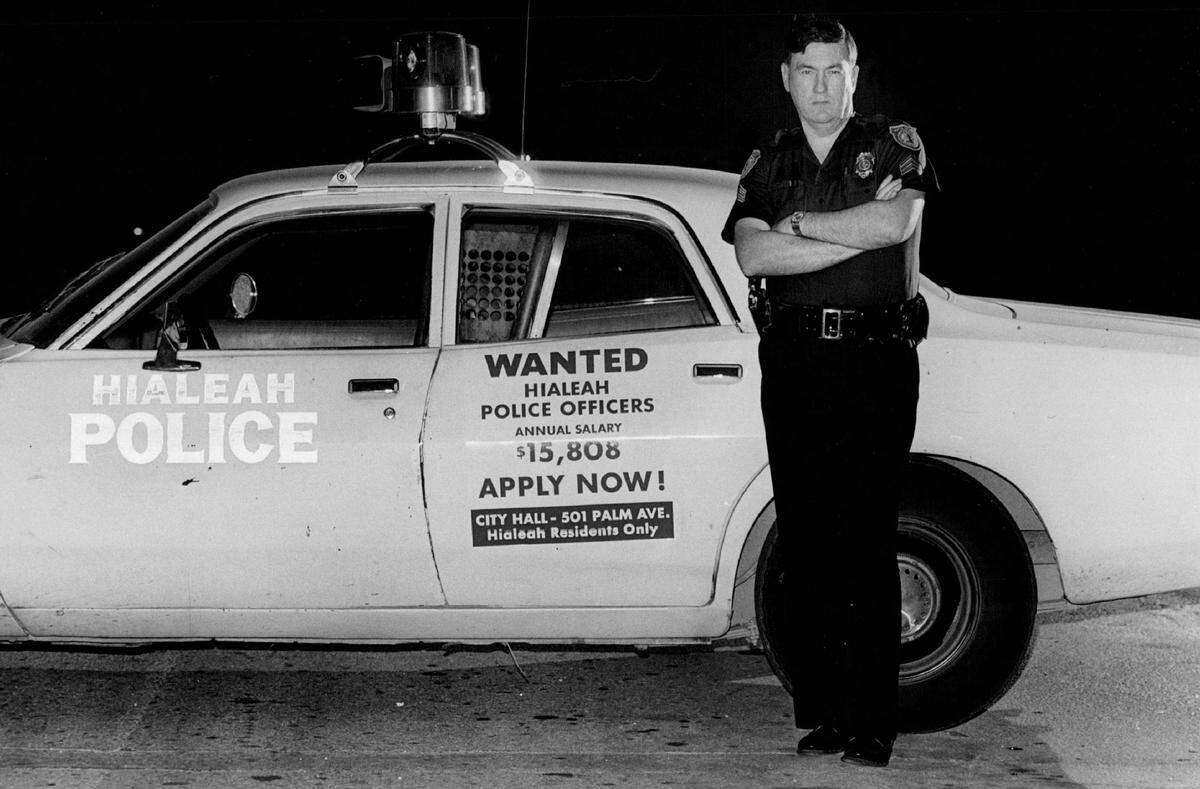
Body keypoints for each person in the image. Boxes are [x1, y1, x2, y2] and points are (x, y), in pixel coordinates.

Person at [722, 14, 938, 768]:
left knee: (866, 537)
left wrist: (802, 225)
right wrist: (851, 227)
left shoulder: (895, 143)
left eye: (833, 71)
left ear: (854, 75)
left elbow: (895, 225)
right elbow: (753, 254)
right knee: (808, 538)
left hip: (876, 360)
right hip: (793, 363)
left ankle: (874, 721)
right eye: (805, 72)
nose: (820, 87)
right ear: (786, 78)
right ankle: (826, 713)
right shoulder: (768, 160)